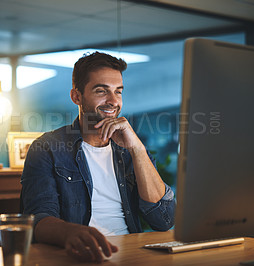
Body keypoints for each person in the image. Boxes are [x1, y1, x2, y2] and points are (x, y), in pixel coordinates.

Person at [21, 52, 175, 263]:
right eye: (101, 91)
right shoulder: (46, 148)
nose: (113, 101)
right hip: (81, 256)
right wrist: (70, 233)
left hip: (131, 253)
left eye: (118, 92)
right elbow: (38, 220)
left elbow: (164, 220)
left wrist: (137, 149)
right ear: (77, 96)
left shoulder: (132, 148)